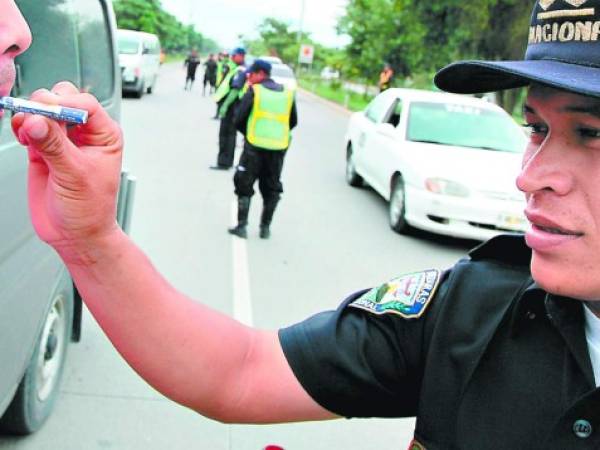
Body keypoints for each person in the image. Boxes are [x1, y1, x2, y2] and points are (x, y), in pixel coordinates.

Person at [8, 0, 600, 447]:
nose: (532, 176)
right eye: (536, 128)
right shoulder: (473, 310)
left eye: (591, 134)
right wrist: (88, 238)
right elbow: (239, 370)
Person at [228, 60, 297, 239]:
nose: (249, 77)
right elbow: (293, 121)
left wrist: (251, 134)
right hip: (277, 150)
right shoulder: (288, 94)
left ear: (261, 73)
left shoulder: (255, 91)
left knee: (244, 184)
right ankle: (265, 228)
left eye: (252, 74)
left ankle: (242, 227)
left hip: (254, 149)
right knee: (272, 188)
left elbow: (238, 119)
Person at [210, 47, 246, 170]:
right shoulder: (235, 68)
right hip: (232, 106)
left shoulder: (240, 70)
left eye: (234, 56)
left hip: (233, 106)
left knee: (227, 135)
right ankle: (225, 161)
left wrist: (225, 106)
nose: (232, 58)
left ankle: (224, 162)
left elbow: (235, 90)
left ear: (241, 56)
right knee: (228, 134)